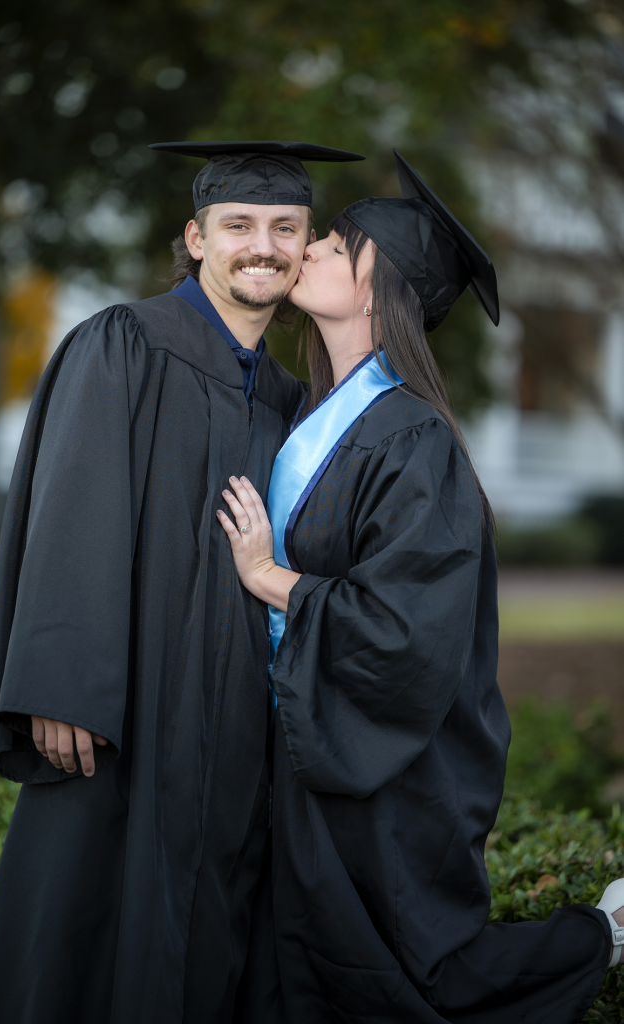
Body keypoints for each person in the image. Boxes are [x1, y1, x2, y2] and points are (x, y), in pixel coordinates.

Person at [217, 148, 624, 1024]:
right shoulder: (313, 418)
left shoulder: (411, 440)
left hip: (385, 763)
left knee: (408, 984)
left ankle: (606, 932)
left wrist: (267, 577)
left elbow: (404, 627)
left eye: (331, 243)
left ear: (375, 287)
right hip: (304, 737)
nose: (307, 249)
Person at [0, 139, 364, 1024]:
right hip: (119, 717)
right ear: (196, 238)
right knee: (86, 926)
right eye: (239, 225)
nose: (261, 246)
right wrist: (63, 686)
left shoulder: (288, 399)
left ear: (306, 246)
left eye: (285, 228)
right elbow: (70, 513)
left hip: (231, 728)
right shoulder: (124, 345)